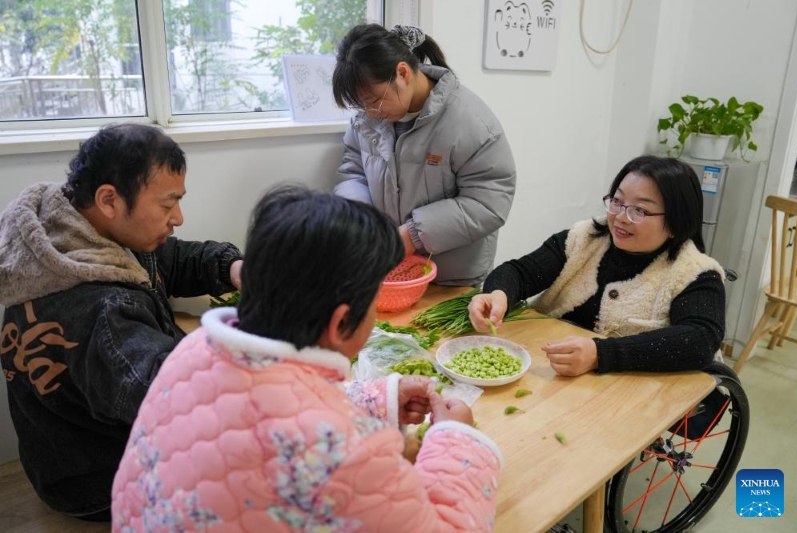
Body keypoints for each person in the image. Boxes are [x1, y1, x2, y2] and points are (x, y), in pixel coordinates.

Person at [111, 186, 503, 532]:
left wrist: (378, 399)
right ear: (341, 321)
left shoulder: (192, 351)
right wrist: (455, 439)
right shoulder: (349, 455)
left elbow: (277, 406)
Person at [0, 124, 243, 521]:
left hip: (59, 463)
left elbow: (174, 260)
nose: (178, 218)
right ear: (109, 199)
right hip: (98, 483)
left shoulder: (70, 236)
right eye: (167, 206)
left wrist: (233, 267)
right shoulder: (102, 308)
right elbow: (177, 402)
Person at [468, 155, 726, 377]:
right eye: (617, 201)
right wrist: (497, 296)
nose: (620, 217)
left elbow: (701, 338)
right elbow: (519, 272)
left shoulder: (695, 272)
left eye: (640, 210)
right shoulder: (585, 238)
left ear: (676, 222)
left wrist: (600, 354)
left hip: (629, 394)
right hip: (555, 374)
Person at [332, 24, 516, 286]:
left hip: (451, 279)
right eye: (361, 105)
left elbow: (489, 202)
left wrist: (411, 236)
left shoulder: (470, 121)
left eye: (374, 101)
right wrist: (362, 221)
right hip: (392, 273)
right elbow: (353, 171)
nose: (369, 112)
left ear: (403, 73)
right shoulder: (367, 119)